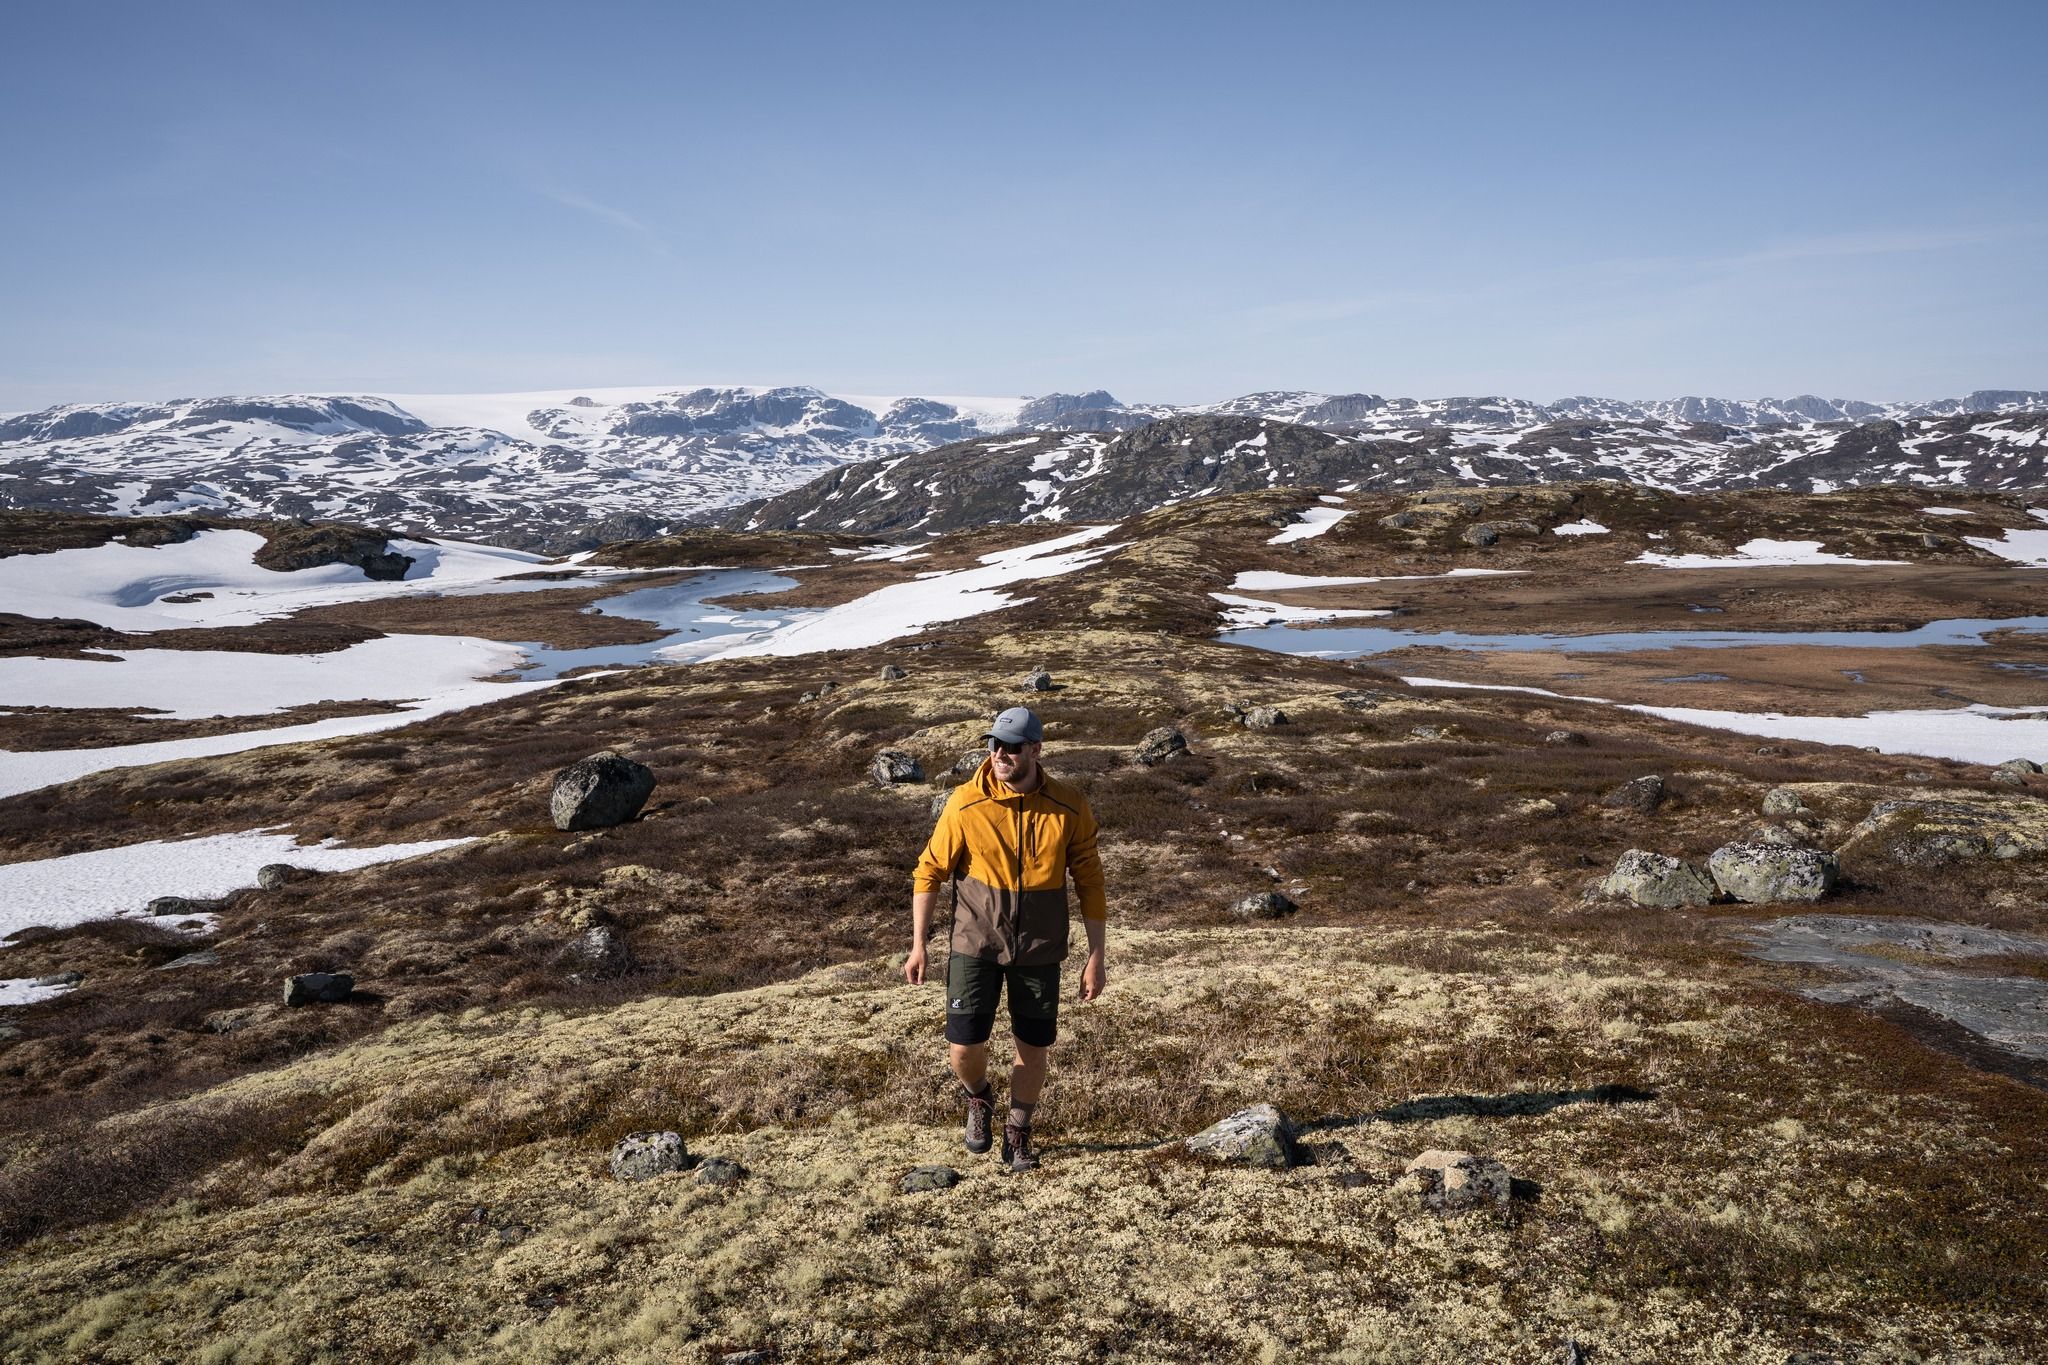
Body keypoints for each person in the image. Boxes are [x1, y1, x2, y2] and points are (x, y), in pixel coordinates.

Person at [906, 705, 1107, 1172]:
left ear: (1035, 750)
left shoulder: (1069, 806)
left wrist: (1096, 956)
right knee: (963, 1048)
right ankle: (979, 1097)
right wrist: (919, 944)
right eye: (994, 744)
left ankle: (1018, 1130)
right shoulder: (964, 802)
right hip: (973, 944)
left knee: (1032, 1048)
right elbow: (929, 871)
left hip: (1039, 948)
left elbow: (1090, 883)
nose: (1000, 754)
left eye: (1012, 747)